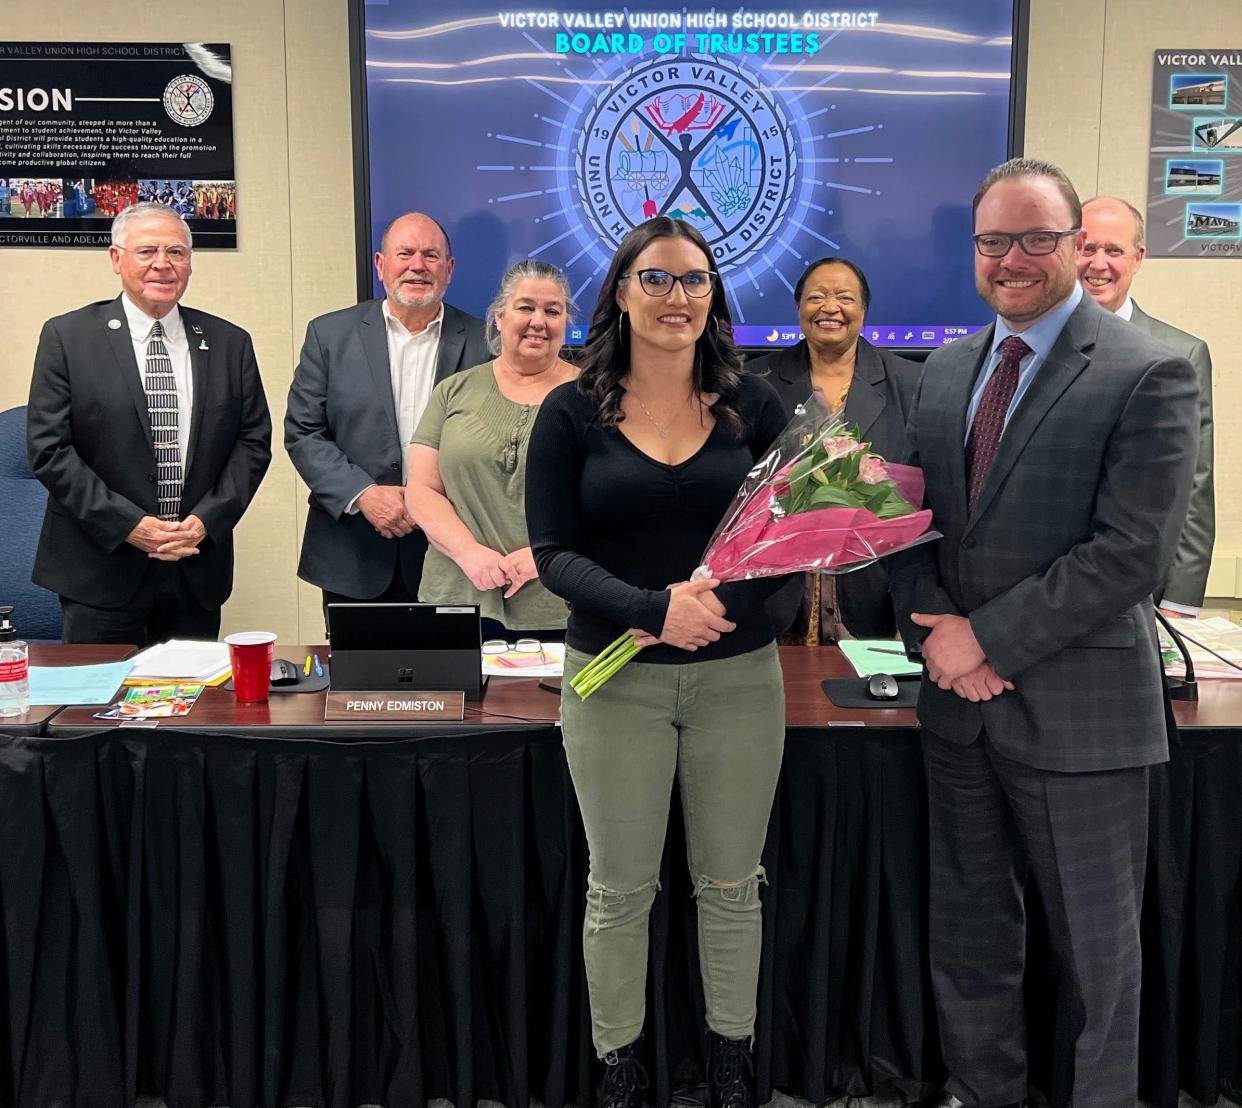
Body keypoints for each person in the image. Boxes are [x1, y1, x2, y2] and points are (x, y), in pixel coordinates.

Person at [891, 159, 1198, 1108]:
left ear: (1075, 245)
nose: (1012, 259)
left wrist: (982, 640)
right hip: (959, 715)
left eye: (1035, 238)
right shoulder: (944, 369)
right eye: (993, 241)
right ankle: (982, 1092)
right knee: (972, 933)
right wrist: (937, 633)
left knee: (1098, 959)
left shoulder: (1151, 370)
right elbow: (906, 523)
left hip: (1082, 718)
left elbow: (1130, 555)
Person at [526, 217, 789, 1108]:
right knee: (621, 887)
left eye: (696, 281)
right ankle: (620, 1065)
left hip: (739, 676)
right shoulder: (570, 408)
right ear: (621, 291)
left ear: (715, 296)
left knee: (729, 884)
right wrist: (652, 611)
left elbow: (788, 543)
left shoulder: (755, 404)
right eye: (657, 280)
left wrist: (714, 614)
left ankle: (730, 1059)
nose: (678, 298)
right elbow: (553, 552)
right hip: (613, 680)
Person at [26, 201, 272, 644]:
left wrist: (206, 520)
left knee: (191, 707)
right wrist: (129, 526)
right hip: (100, 569)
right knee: (96, 707)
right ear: (117, 259)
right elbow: (49, 449)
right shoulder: (68, 337)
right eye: (147, 252)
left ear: (190, 264)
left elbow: (253, 442)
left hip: (192, 565)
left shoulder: (229, 342)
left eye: (176, 253)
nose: (163, 264)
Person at [285, 211, 488, 618]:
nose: (418, 265)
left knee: (452, 678)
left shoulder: (486, 345)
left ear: (449, 270)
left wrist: (429, 502)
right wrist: (364, 495)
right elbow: (304, 431)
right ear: (380, 265)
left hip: (453, 556)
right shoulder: (329, 336)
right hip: (354, 552)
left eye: (431, 255)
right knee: (359, 681)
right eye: (405, 253)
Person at [746, 256, 920, 641]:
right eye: (816, 298)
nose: (829, 308)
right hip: (775, 587)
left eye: (844, 297)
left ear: (863, 310)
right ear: (799, 308)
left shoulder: (912, 381)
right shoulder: (756, 381)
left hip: (874, 589)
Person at [405, 260, 576, 639]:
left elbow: (611, 501)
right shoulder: (452, 392)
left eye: (553, 311)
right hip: (456, 598)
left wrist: (546, 558)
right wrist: (468, 553)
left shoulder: (596, 398)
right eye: (525, 307)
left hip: (560, 602)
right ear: (499, 317)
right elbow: (421, 490)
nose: (539, 321)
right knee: (459, 701)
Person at [1078, 195, 1215, 614]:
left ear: (1138, 258)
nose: (1098, 264)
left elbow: (1193, 487)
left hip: (1138, 599)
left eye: (1113, 250)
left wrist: (1179, 604)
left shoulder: (1179, 354)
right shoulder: (1033, 346)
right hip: (1038, 592)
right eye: (1087, 248)